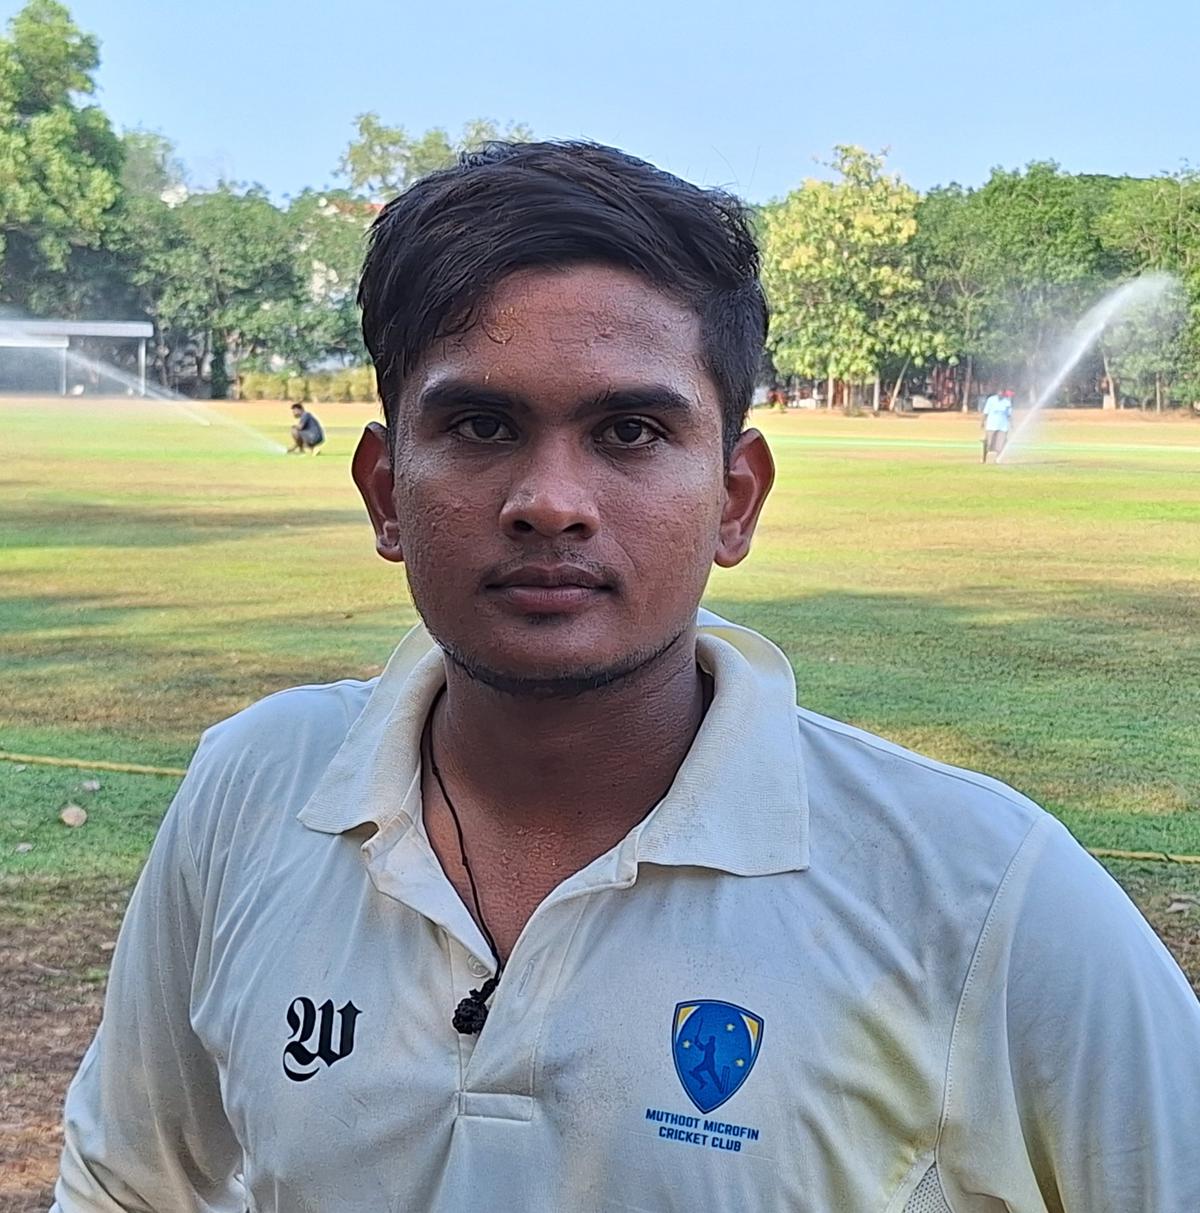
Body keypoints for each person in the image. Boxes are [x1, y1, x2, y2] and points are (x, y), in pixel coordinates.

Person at [54, 143, 1200, 1213]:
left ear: (735, 498)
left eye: (632, 432)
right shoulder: (253, 785)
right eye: (483, 422)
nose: (549, 499)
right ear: (383, 488)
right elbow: (130, 1179)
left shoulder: (980, 889)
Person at [981, 388, 1014, 462]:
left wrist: (1011, 424)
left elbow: (1009, 415)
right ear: (997, 393)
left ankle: (997, 459)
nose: (1000, 394)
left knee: (1000, 444)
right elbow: (986, 412)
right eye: (999, 392)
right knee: (989, 443)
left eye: (1002, 393)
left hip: (1003, 426)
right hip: (991, 425)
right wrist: (982, 422)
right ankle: (984, 458)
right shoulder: (991, 400)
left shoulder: (1007, 402)